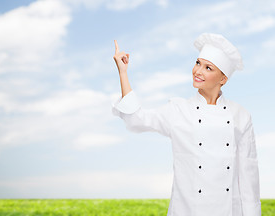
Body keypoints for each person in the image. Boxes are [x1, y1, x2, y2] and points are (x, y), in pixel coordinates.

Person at [111, 33, 261, 216]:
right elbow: (136, 119)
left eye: (208, 68)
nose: (198, 71)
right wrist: (123, 73)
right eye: (198, 63)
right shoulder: (177, 110)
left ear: (223, 79)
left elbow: (249, 178)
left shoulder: (241, 116)